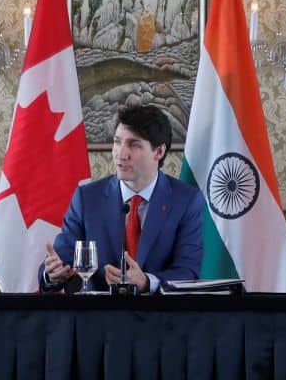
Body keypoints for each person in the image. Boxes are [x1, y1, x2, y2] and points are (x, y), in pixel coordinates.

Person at [41, 105, 203, 293]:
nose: (121, 154)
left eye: (134, 145)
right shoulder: (87, 198)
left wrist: (146, 282)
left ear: (158, 152)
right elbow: (61, 259)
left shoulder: (186, 200)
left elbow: (188, 272)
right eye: (117, 142)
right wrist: (51, 274)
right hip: (99, 317)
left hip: (161, 317)